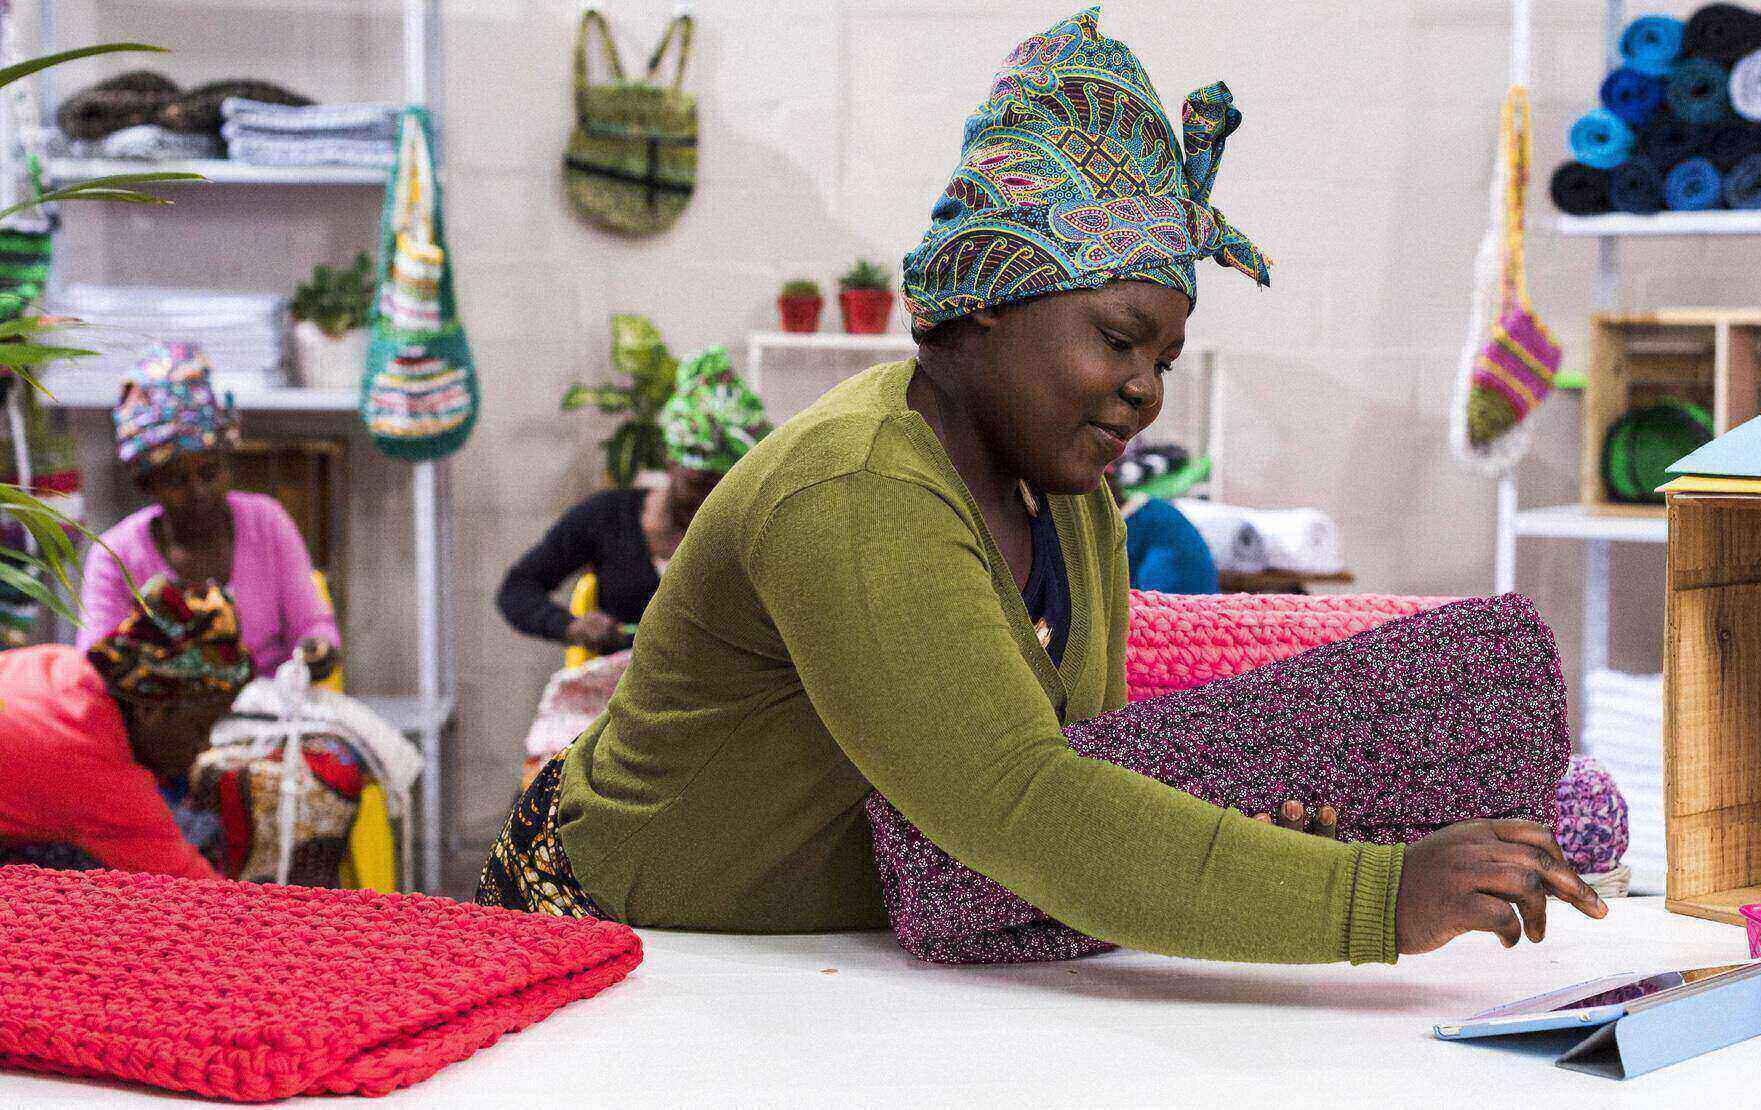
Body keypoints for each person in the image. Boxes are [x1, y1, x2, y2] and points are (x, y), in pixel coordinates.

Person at [482, 9, 1603, 963]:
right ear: (980, 302)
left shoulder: (1066, 499)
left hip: (853, 957)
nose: (1144, 389)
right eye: (1117, 339)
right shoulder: (858, 487)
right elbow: (1019, 801)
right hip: (625, 941)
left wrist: (1257, 842)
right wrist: (1377, 898)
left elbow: (1082, 759)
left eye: (1164, 359)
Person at [76, 343, 339, 680]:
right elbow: (95, 662)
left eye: (209, 473)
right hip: (159, 711)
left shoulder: (267, 523)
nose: (198, 491)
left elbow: (313, 625)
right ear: (147, 485)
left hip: (270, 701)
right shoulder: (115, 556)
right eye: (175, 480)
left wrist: (316, 649)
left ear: (227, 466)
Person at [496, 348, 772, 657]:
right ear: (669, 460)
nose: (710, 502)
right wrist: (572, 627)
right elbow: (518, 588)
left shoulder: (752, 536)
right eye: (699, 485)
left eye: (726, 490)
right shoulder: (608, 517)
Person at [0, 576, 253, 877]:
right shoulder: (99, 775)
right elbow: (201, 892)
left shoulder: (62, 662)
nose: (205, 746)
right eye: (201, 727)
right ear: (150, 710)